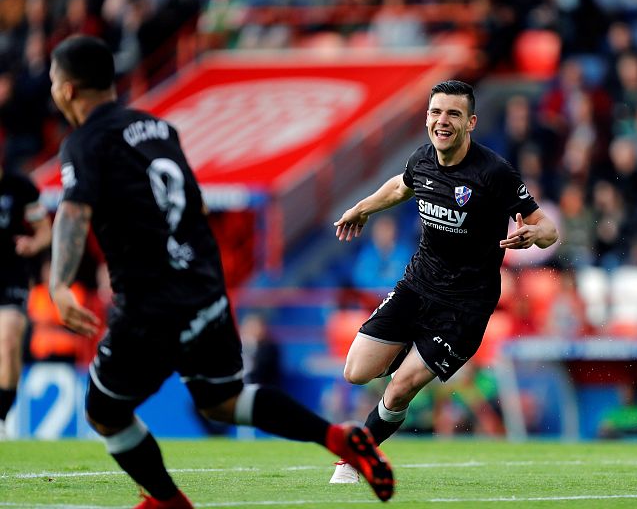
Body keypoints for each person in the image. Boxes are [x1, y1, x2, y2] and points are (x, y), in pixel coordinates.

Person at [47, 36, 393, 508]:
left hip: (151, 301)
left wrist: (60, 282)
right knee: (223, 400)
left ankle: (168, 501)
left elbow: (73, 211)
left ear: (66, 90)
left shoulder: (84, 141)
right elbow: (198, 202)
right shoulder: (157, 128)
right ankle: (338, 438)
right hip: (203, 287)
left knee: (104, 411)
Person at [329, 80, 558, 484]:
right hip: (417, 286)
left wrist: (531, 235)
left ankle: (357, 454)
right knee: (355, 372)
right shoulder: (422, 160)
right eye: (436, 112)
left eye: (453, 114)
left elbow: (549, 229)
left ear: (470, 122)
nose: (443, 121)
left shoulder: (494, 172)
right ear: (427, 120)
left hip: (465, 306)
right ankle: (411, 354)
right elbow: (401, 186)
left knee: (399, 390)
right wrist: (362, 208)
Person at [0, 167, 51, 438]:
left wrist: (33, 244)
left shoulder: (20, 186)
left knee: (8, 342)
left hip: (11, 277)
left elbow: (45, 230)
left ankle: (1, 416)